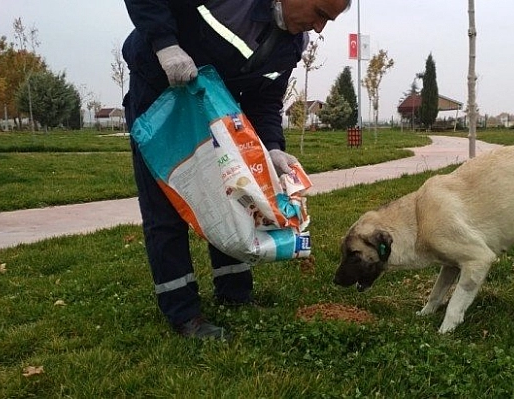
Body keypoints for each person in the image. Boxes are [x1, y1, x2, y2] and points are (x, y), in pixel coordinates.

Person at [122, 0, 351, 340]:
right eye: (320, 14)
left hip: (218, 115)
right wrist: (165, 43)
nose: (319, 29)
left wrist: (272, 147)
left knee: (235, 195)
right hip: (161, 98)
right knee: (166, 205)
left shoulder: (290, 45)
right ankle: (183, 312)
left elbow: (266, 101)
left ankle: (235, 295)